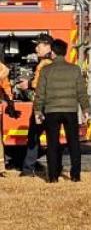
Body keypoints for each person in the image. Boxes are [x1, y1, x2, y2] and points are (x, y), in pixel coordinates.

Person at [34, 39, 89, 183]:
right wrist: (85, 109)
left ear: (52, 52)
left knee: (52, 144)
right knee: (74, 143)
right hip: (70, 110)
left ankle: (53, 177)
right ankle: (75, 176)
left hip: (51, 111)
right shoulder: (75, 69)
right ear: (64, 52)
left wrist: (38, 111)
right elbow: (81, 92)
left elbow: (40, 93)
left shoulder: (46, 70)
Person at [20, 33, 55, 177]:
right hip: (54, 106)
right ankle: (54, 169)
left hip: (41, 107)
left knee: (33, 137)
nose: (36, 48)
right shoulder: (55, 61)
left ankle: (28, 170)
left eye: (38, 45)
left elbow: (37, 84)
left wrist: (26, 84)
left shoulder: (44, 63)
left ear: (47, 45)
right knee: (52, 139)